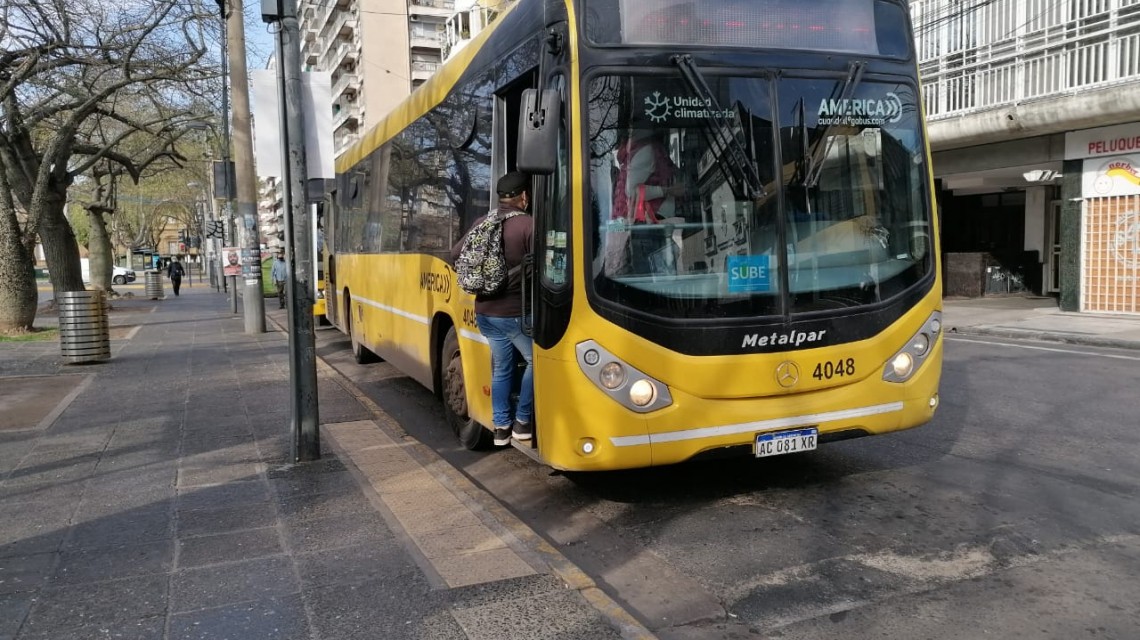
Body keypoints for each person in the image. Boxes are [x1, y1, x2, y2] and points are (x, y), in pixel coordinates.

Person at [450, 171, 534, 447]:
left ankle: (500, 428)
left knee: (502, 369)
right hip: (515, 314)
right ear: (524, 196)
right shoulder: (528, 225)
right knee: (537, 361)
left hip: (485, 312)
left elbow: (455, 255)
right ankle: (523, 422)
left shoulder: (483, 222)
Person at [612, 129, 685, 274]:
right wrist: (667, 190)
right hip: (649, 228)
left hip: (643, 227)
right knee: (657, 279)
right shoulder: (648, 151)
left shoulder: (638, 154)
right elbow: (632, 191)